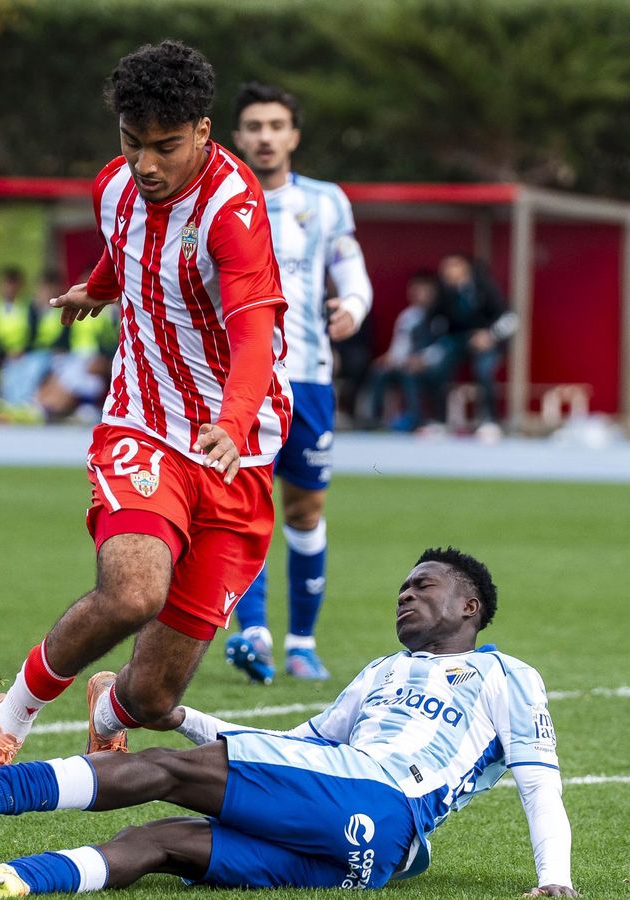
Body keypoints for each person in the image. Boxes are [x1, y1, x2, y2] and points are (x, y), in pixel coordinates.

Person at [0, 40, 293, 780]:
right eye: (132, 142)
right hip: (143, 424)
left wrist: (234, 423)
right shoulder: (114, 186)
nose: (145, 164)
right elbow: (126, 246)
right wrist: (98, 288)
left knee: (154, 694)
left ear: (203, 131)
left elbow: (255, 331)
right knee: (134, 592)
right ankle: (8, 717)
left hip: (236, 446)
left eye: (165, 147)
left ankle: (109, 708)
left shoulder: (232, 211)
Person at [0, 548, 577, 898]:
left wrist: (555, 879)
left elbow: (539, 782)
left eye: (424, 585)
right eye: (402, 587)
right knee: (159, 841)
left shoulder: (506, 675)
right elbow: (298, 749)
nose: (405, 593)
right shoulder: (381, 672)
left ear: (470, 607)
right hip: (364, 854)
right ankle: (11, 879)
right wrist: (183, 717)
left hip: (379, 795)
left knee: (164, 771)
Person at [224, 82, 373, 684]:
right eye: (254, 126)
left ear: (294, 136)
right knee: (243, 504)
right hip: (236, 379)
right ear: (237, 136)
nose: (265, 136)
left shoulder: (326, 202)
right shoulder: (215, 198)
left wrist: (353, 306)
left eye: (276, 125)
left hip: (307, 376)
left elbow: (350, 268)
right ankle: (254, 633)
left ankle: (302, 643)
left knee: (305, 510)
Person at [422, 253, 517, 439]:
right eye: (445, 267)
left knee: (483, 369)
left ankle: (490, 421)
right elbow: (433, 323)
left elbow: (510, 318)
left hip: (487, 341)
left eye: (452, 266)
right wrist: (438, 344)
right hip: (458, 341)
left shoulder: (484, 286)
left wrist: (490, 335)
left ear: (464, 267)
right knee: (437, 367)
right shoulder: (443, 292)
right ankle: (440, 421)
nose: (447, 271)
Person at [365, 270, 439, 431]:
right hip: (405, 363)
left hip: (431, 366)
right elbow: (400, 344)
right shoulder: (407, 316)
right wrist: (390, 358)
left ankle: (415, 417)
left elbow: (442, 346)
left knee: (409, 373)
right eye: (414, 289)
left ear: (433, 291)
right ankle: (375, 419)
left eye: (422, 289)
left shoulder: (440, 315)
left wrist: (423, 360)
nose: (417, 293)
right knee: (379, 371)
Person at [0, 266, 54, 422]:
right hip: (8, 353)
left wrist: (22, 350)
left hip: (27, 352)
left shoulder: (27, 306)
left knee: (26, 371)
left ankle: (22, 406)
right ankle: (11, 406)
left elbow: (33, 333)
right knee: (10, 372)